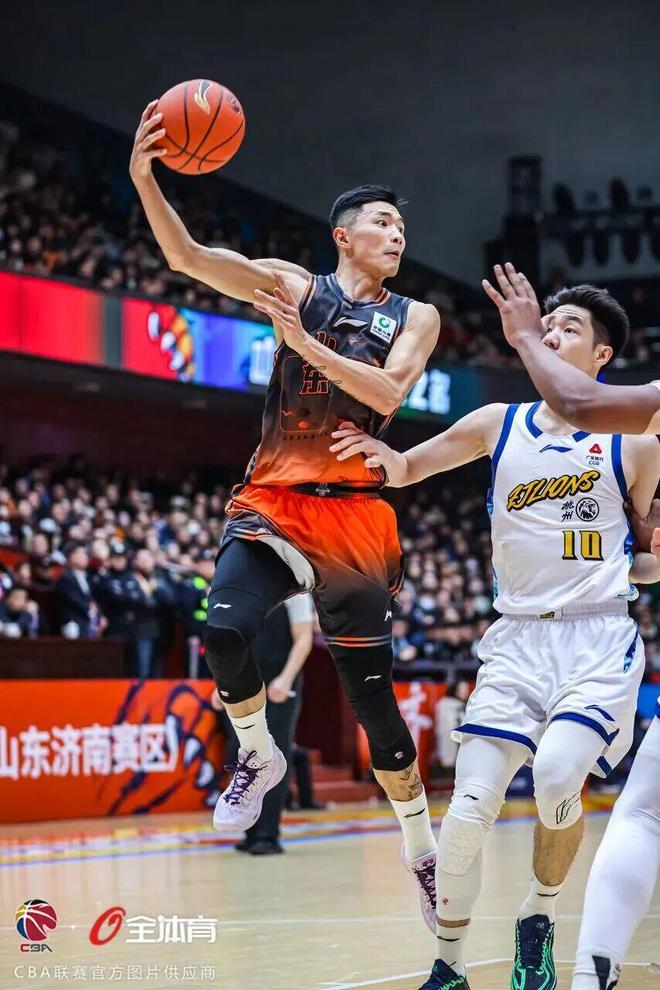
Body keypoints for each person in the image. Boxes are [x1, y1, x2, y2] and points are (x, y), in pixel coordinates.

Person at [130, 103, 441, 927]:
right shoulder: (294, 285)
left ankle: (422, 849)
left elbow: (387, 393)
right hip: (274, 499)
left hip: (355, 517)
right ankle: (258, 753)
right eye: (382, 222)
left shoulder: (415, 316)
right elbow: (187, 257)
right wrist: (145, 178)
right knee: (224, 630)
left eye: (401, 226)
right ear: (344, 236)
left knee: (374, 707)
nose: (396, 233)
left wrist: (303, 345)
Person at [328, 286, 659, 990]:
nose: (552, 333)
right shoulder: (496, 423)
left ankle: (537, 918)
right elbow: (410, 468)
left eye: (569, 327)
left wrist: (647, 560)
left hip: (597, 637)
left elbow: (643, 552)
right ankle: (448, 964)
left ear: (601, 355)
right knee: (468, 813)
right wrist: (382, 456)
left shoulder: (635, 443)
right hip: (516, 641)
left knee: (558, 776)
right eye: (548, 324)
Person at [482, 264, 660, 990]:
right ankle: (587, 970)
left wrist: (526, 335)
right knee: (640, 810)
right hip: (539, 625)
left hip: (587, 633)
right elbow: (646, 556)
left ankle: (592, 975)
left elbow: (579, 402)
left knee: (645, 815)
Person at [213, 593, 315, 855]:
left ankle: (268, 834)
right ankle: (249, 830)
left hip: (279, 682)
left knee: (274, 754)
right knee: (241, 753)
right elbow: (230, 642)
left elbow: (304, 638)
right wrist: (221, 683)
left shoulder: (294, 590)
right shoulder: (240, 589)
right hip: (244, 679)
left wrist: (286, 678)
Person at [54, 545, 101, 639]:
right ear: (71, 556)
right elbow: (74, 601)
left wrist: (98, 615)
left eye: (85, 554)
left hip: (87, 617)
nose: (85, 557)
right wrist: (91, 610)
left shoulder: (88, 576)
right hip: (73, 620)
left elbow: (93, 600)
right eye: (80, 554)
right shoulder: (66, 577)